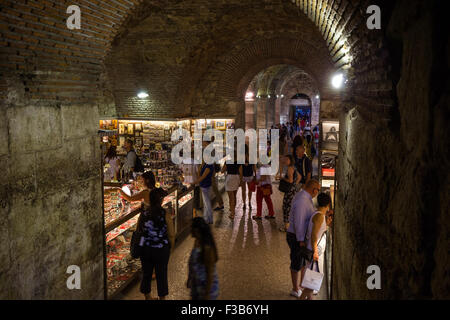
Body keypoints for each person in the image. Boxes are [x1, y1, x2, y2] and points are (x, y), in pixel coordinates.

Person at [119, 172, 175, 300]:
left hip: (146, 249)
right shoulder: (164, 213)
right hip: (161, 249)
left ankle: (148, 297)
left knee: (146, 273)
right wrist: (170, 248)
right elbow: (171, 234)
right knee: (161, 274)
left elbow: (139, 229)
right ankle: (162, 298)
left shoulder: (144, 214)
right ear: (160, 200)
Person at [286, 179, 320, 298]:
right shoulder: (302, 201)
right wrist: (301, 240)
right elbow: (299, 222)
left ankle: (302, 285)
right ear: (313, 189)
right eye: (318, 190)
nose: (318, 192)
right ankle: (295, 289)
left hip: (298, 237)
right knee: (296, 262)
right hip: (296, 237)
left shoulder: (304, 196)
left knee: (302, 262)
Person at [298, 193, 331, 300]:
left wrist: (327, 224)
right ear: (328, 205)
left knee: (312, 280)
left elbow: (318, 231)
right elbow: (314, 235)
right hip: (313, 251)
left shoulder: (316, 214)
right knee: (312, 282)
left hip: (312, 250)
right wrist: (316, 251)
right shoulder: (320, 217)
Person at [187, 217, 219, 300]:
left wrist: (207, 294)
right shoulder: (197, 242)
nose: (190, 229)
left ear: (197, 230)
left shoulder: (207, 248)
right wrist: (190, 278)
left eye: (191, 227)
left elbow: (210, 272)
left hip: (206, 288)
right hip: (197, 284)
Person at [280, 155, 301, 232]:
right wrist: (294, 185)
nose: (285, 161)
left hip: (289, 191)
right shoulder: (294, 167)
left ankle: (286, 228)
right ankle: (290, 226)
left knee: (286, 207)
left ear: (290, 160)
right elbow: (299, 177)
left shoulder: (289, 168)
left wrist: (282, 178)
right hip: (293, 191)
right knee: (291, 207)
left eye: (286, 159)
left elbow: (290, 180)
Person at [194, 148, 215, 225]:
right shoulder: (205, 164)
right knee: (206, 203)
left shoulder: (209, 165)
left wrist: (195, 182)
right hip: (203, 185)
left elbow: (203, 176)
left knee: (207, 203)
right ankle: (206, 219)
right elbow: (199, 174)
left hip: (206, 185)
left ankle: (210, 219)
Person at [221, 151, 242, 219]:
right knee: (234, 195)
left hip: (229, 178)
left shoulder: (227, 162)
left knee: (231, 198)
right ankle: (233, 209)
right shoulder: (239, 162)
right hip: (236, 177)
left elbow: (222, 171)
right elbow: (241, 173)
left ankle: (232, 213)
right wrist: (240, 181)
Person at [180, 149, 201, 216]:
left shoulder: (183, 162)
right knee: (195, 200)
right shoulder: (195, 162)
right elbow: (198, 174)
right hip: (194, 183)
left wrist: (183, 179)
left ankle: (190, 213)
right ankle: (194, 214)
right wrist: (199, 182)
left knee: (188, 200)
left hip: (187, 184)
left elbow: (179, 172)